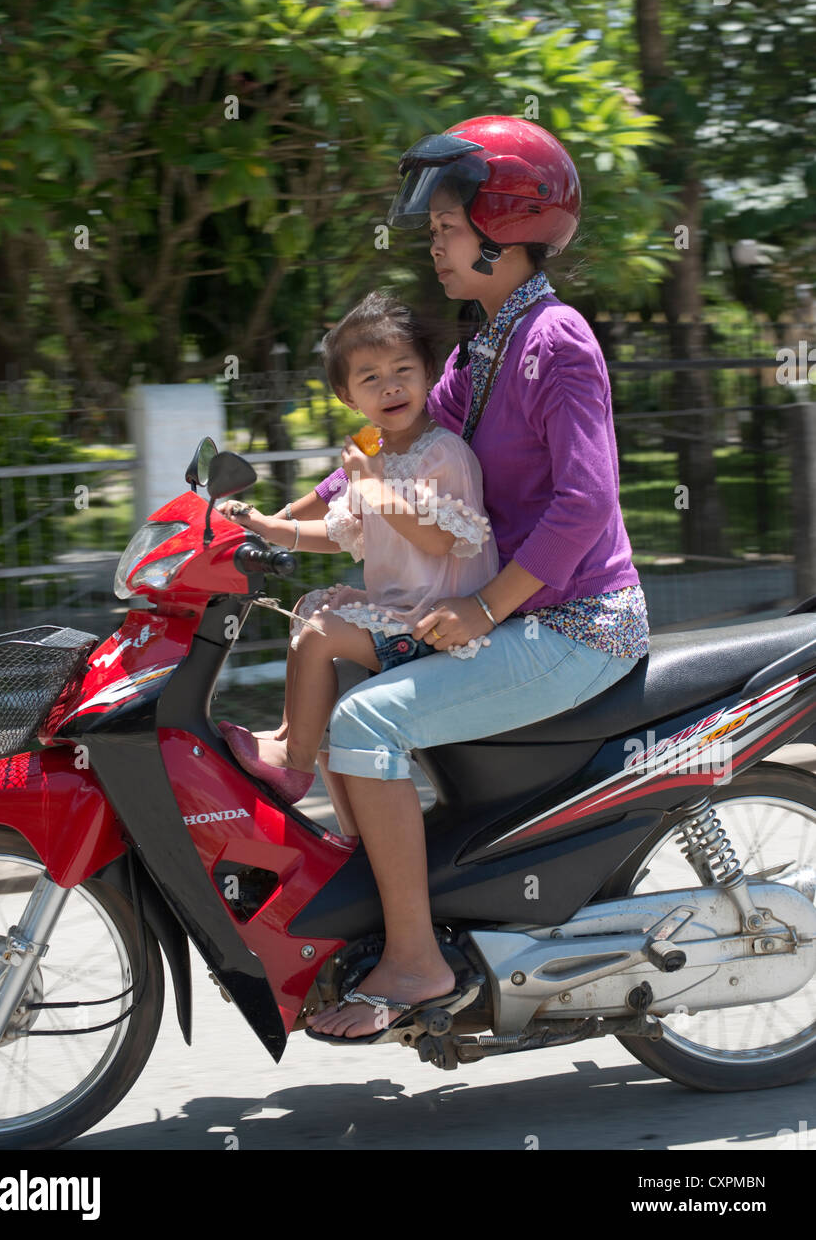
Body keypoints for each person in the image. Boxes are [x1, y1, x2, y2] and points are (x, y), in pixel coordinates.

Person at [249, 115, 651, 1042]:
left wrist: (479, 607)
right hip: (520, 617)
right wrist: (272, 524)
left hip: (577, 623)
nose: (433, 246)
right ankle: (394, 911)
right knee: (344, 659)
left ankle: (418, 961)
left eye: (445, 229)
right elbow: (382, 453)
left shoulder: (558, 342)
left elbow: (584, 504)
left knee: (365, 718)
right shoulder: (476, 351)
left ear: (503, 225)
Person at [217, 291, 499, 805]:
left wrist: (371, 487)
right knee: (307, 612)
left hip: (433, 626)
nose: (390, 386)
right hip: (397, 613)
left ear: (428, 373)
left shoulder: (444, 453)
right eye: (370, 378)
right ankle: (285, 737)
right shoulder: (376, 454)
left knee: (322, 632)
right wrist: (265, 526)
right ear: (348, 397)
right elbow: (344, 531)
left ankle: (295, 764)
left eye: (403, 370)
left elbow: (439, 539)